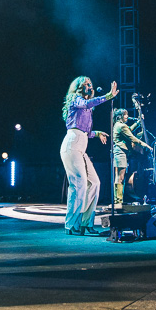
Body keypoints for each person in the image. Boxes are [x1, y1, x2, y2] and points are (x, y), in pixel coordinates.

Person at [60, 76, 117, 236]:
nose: (89, 86)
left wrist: (96, 133)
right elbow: (83, 110)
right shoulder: (74, 99)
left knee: (95, 183)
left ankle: (86, 222)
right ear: (78, 87)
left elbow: (85, 131)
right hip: (71, 144)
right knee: (79, 184)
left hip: (80, 146)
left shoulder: (86, 107)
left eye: (90, 83)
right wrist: (107, 96)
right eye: (86, 84)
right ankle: (71, 224)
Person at [111, 108, 151, 206]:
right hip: (120, 153)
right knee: (120, 177)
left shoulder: (119, 125)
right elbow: (132, 138)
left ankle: (118, 200)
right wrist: (146, 145)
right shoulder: (121, 126)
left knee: (120, 177)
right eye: (125, 114)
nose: (127, 116)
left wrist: (138, 122)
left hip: (120, 152)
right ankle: (118, 201)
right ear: (119, 116)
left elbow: (129, 129)